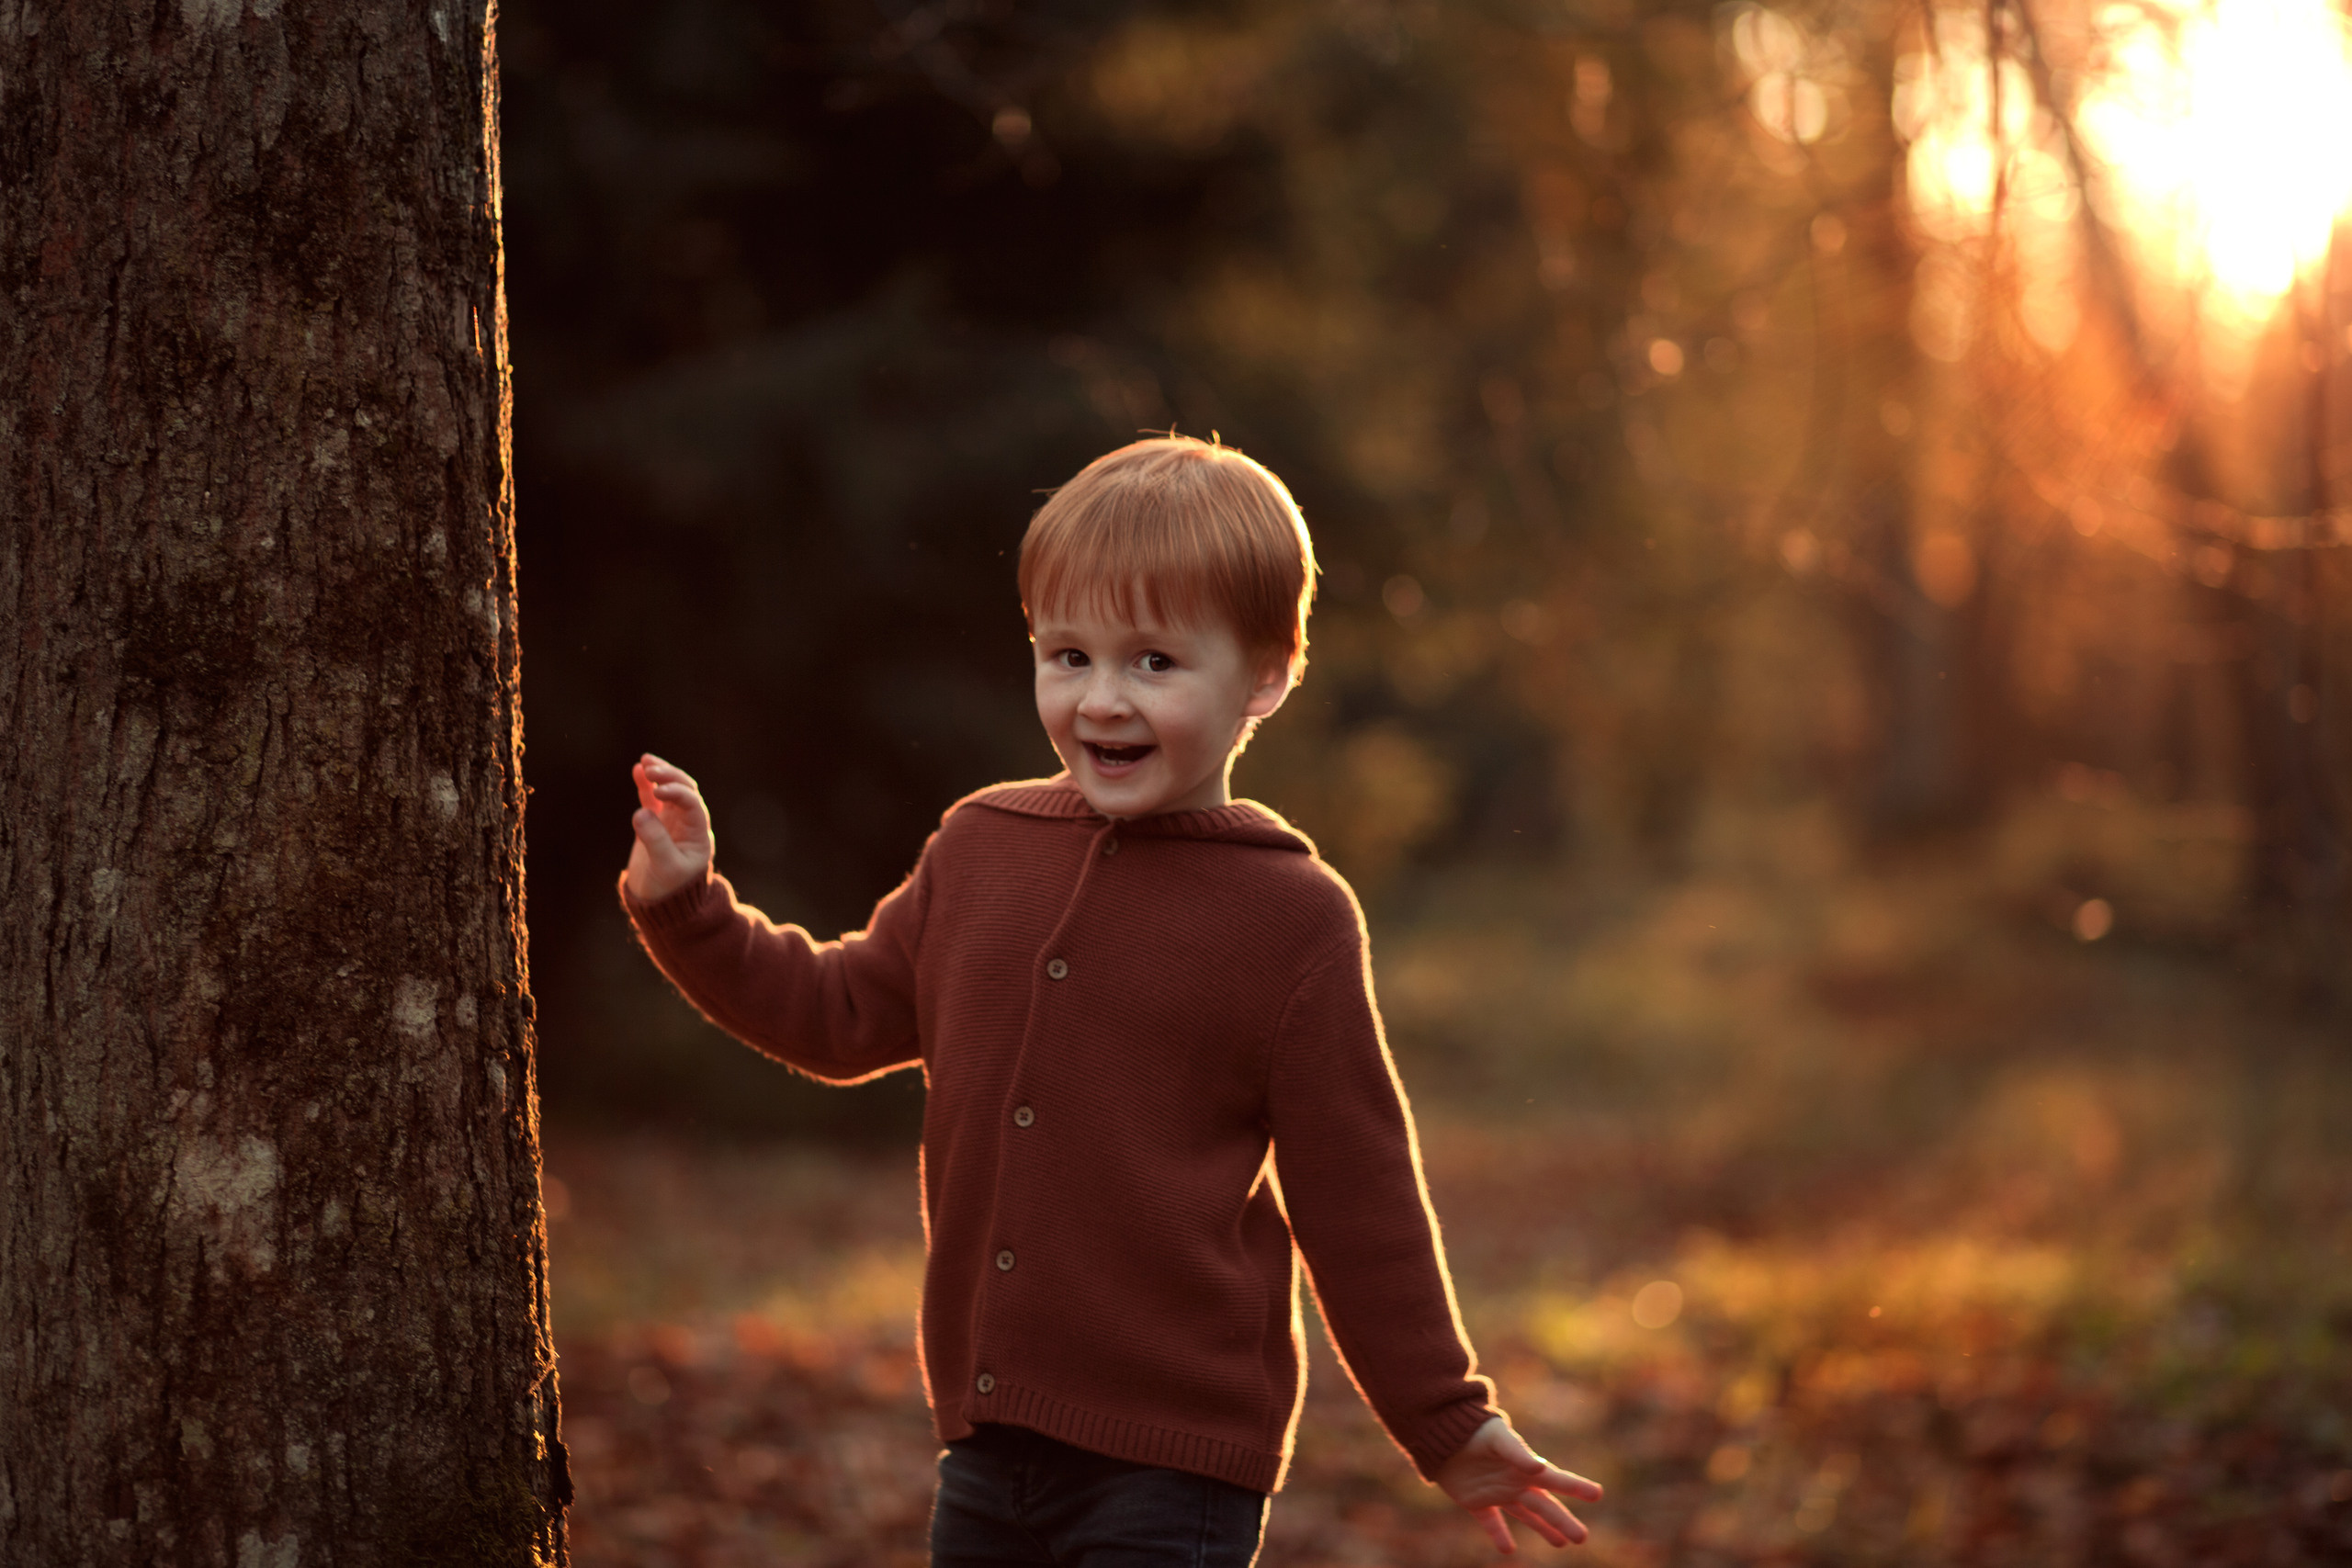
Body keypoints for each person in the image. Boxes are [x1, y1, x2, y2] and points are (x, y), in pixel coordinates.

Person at [619, 434, 1601, 1565]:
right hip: (985, 1445)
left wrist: (1445, 1422)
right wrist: (690, 908)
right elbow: (836, 1016)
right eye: (1069, 655)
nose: (1101, 700)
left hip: (1175, 1468)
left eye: (1154, 663)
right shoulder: (980, 846)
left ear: (1265, 677)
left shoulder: (1292, 916)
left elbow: (1358, 1197)